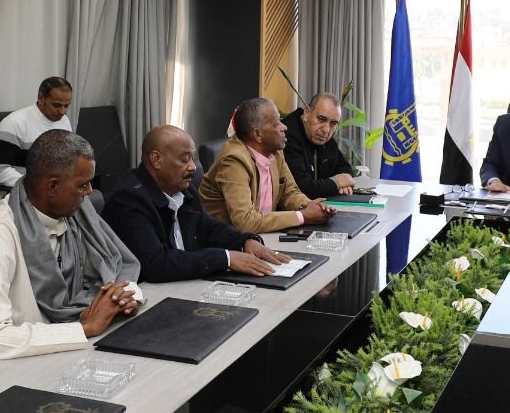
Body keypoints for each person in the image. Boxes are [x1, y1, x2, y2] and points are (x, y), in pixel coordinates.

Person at [0, 129, 142, 360]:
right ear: (52, 187)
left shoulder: (74, 215)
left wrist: (122, 299)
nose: (89, 192)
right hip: (10, 366)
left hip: (63, 349)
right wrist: (83, 329)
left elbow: (111, 271)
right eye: (82, 185)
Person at [103, 124, 290, 282]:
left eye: (192, 159)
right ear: (156, 159)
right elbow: (156, 265)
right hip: (151, 296)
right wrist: (225, 258)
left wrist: (245, 241)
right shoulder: (128, 200)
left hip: (186, 284)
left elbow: (209, 228)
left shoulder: (182, 188)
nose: (192, 167)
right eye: (184, 159)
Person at [200, 97, 335, 233]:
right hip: (225, 239)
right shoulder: (234, 160)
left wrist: (310, 206)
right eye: (277, 123)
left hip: (261, 235)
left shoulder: (275, 150)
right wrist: (302, 216)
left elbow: (290, 193)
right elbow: (245, 222)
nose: (284, 127)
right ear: (258, 134)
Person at [0, 75, 74, 194]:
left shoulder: (64, 121)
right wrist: (36, 185)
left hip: (53, 189)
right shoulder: (14, 123)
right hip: (20, 190)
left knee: (88, 200)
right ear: (41, 98)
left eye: (66, 105)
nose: (62, 111)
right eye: (56, 105)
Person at [282, 92, 356, 198]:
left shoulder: (321, 135)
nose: (326, 130)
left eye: (333, 123)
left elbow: (344, 167)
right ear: (307, 113)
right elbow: (302, 189)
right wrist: (337, 182)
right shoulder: (286, 136)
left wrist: (345, 182)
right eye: (321, 119)